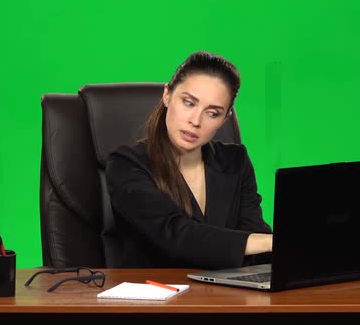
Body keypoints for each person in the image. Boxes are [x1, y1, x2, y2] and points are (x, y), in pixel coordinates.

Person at [105, 51, 272, 270]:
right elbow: (175, 234)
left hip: (227, 298)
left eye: (212, 113)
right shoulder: (126, 164)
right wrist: (271, 242)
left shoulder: (235, 162)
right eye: (189, 103)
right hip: (155, 297)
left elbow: (256, 237)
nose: (195, 121)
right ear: (167, 95)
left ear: (225, 118)